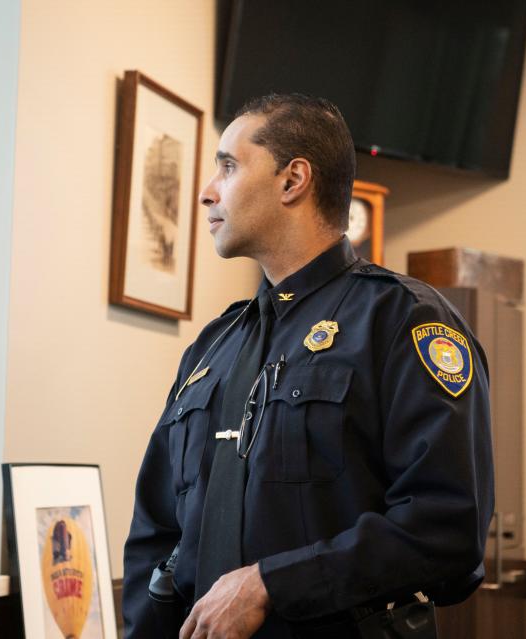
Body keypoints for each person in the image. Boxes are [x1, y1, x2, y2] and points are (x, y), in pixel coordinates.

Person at [122, 94, 494, 639]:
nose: (206, 192)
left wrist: (271, 584)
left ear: (293, 180)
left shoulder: (402, 320)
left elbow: (445, 529)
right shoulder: (213, 346)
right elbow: (155, 533)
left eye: (228, 166)